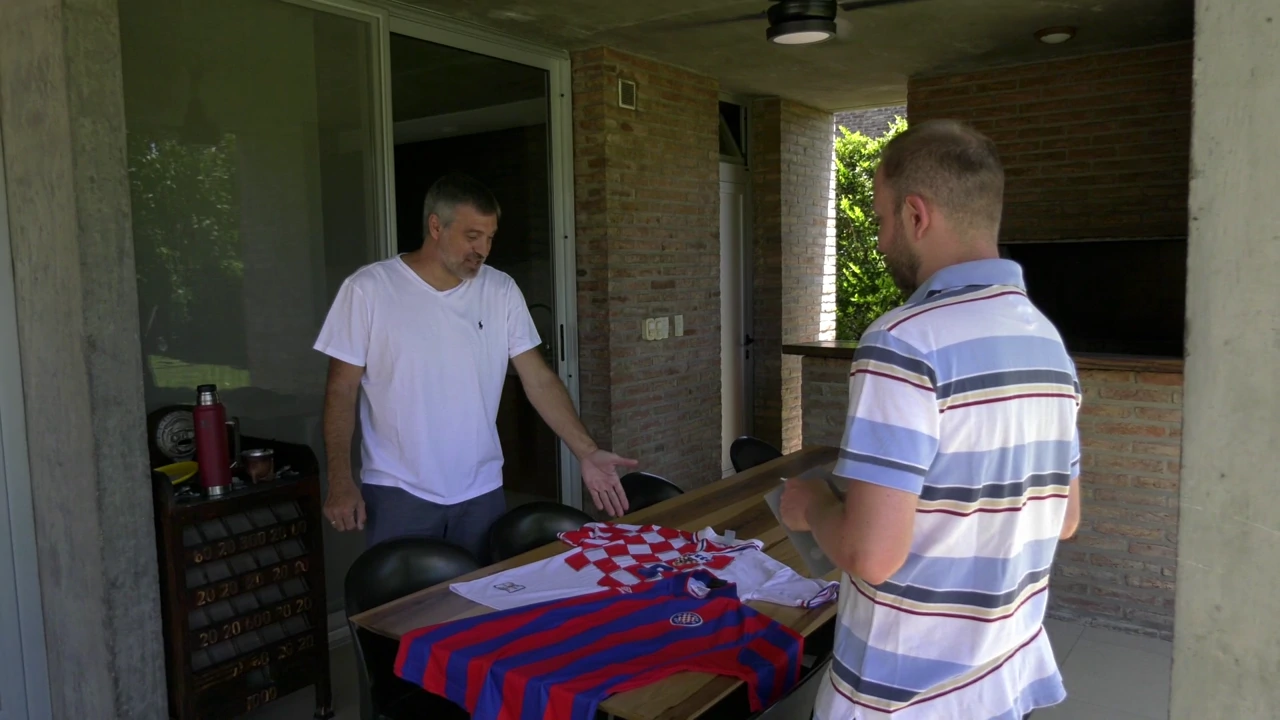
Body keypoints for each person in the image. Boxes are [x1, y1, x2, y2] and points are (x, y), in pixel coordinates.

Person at [779, 120, 1082, 720]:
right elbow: (1065, 517)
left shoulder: (903, 343)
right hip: (1001, 675)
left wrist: (812, 504)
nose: (884, 240)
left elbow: (871, 554)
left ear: (917, 215)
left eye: (884, 220)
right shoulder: (1048, 343)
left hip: (903, 696)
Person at [314, 172, 638, 560]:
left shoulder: (499, 290)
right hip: (399, 490)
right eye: (472, 236)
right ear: (436, 226)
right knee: (403, 613)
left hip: (481, 491)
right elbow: (341, 389)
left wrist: (586, 451)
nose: (482, 249)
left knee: (478, 609)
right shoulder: (369, 289)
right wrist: (340, 479)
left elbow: (538, 379)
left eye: (489, 237)